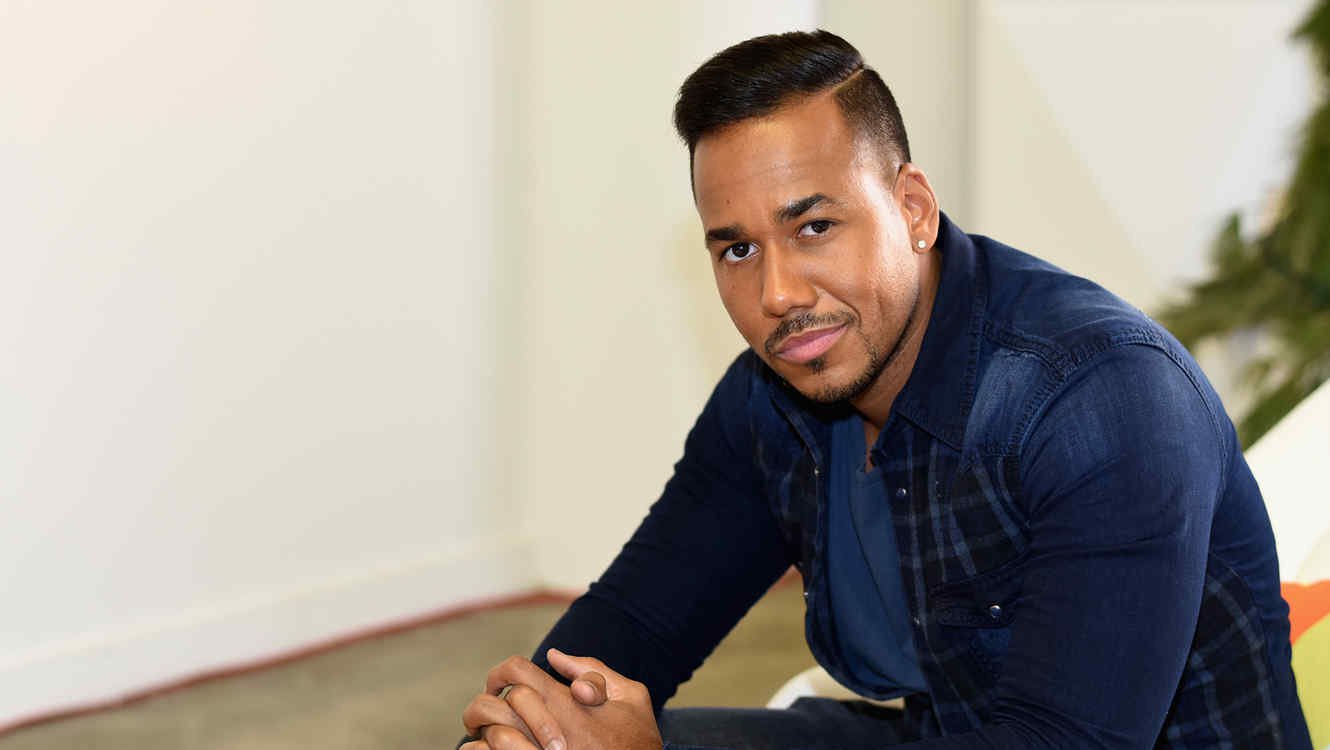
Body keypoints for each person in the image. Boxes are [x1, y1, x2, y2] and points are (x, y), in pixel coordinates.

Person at [458, 30, 1312, 749]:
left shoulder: (1101, 398)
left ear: (913, 208)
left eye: (813, 226)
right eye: (738, 249)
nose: (778, 294)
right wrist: (524, 729)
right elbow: (631, 625)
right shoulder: (771, 399)